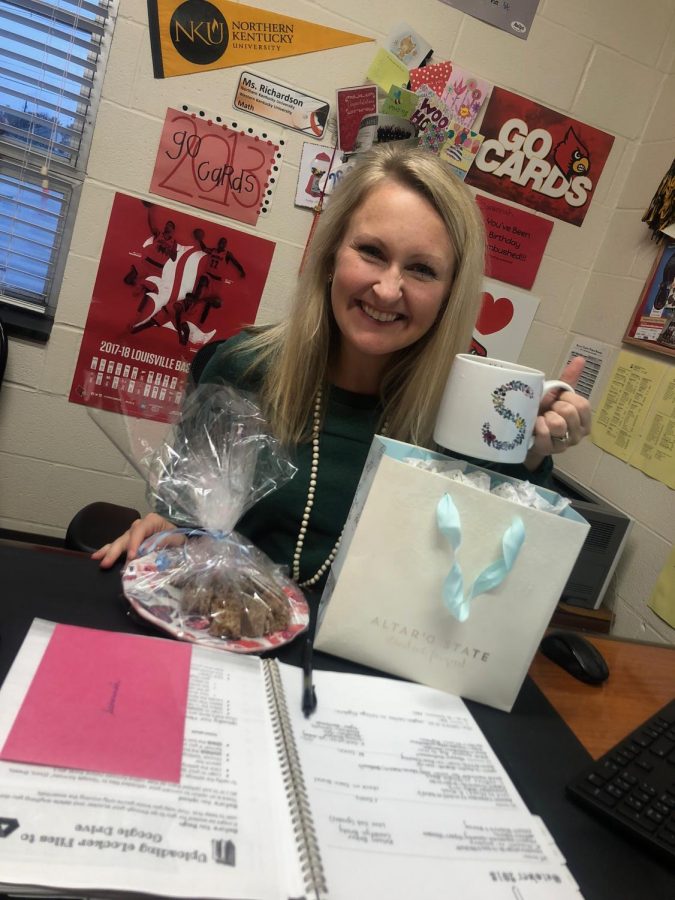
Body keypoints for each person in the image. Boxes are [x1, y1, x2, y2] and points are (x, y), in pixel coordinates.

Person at [94, 144, 591, 589]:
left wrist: (529, 459)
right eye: (372, 252)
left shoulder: (467, 420)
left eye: (422, 269)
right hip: (227, 626)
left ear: (449, 294)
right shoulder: (242, 367)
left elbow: (495, 568)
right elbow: (182, 516)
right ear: (332, 255)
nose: (388, 290)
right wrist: (166, 528)